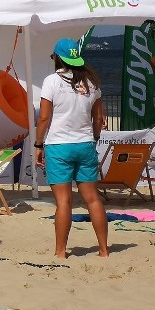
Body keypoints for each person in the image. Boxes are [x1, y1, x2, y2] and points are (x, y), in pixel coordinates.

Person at [35, 38, 108, 259]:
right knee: (92, 199)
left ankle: (60, 252)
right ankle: (104, 250)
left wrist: (38, 145)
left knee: (63, 202)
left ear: (57, 58)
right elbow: (99, 118)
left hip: (59, 146)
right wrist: (94, 137)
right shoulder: (92, 82)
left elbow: (44, 118)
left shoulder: (52, 81)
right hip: (84, 144)